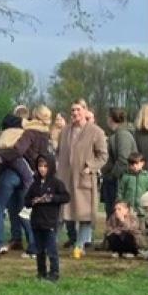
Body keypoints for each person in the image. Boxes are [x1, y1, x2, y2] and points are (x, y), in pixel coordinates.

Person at [55, 99, 108, 259]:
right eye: (72, 110)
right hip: (64, 178)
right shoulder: (65, 131)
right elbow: (58, 152)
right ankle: (51, 243)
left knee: (85, 214)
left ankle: (80, 245)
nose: (75, 113)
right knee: (62, 211)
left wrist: (90, 167)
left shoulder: (96, 132)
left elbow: (103, 156)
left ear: (85, 111)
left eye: (78, 109)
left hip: (84, 179)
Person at [0, 114, 33, 258]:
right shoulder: (25, 135)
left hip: (8, 177)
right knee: (23, 211)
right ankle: (33, 243)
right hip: (24, 178)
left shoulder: (3, 137)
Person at [24, 154, 70, 281]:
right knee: (39, 250)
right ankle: (41, 272)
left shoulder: (56, 183)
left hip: (50, 221)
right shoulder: (35, 184)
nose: (42, 169)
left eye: (45, 166)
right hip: (36, 222)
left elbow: (66, 197)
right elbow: (26, 201)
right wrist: (33, 201)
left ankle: (54, 273)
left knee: (51, 249)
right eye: (40, 166)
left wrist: (52, 198)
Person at [101, 107, 137, 218]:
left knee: (117, 217)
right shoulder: (117, 134)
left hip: (119, 182)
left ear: (111, 118)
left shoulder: (122, 135)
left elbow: (123, 159)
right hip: (116, 181)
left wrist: (111, 176)